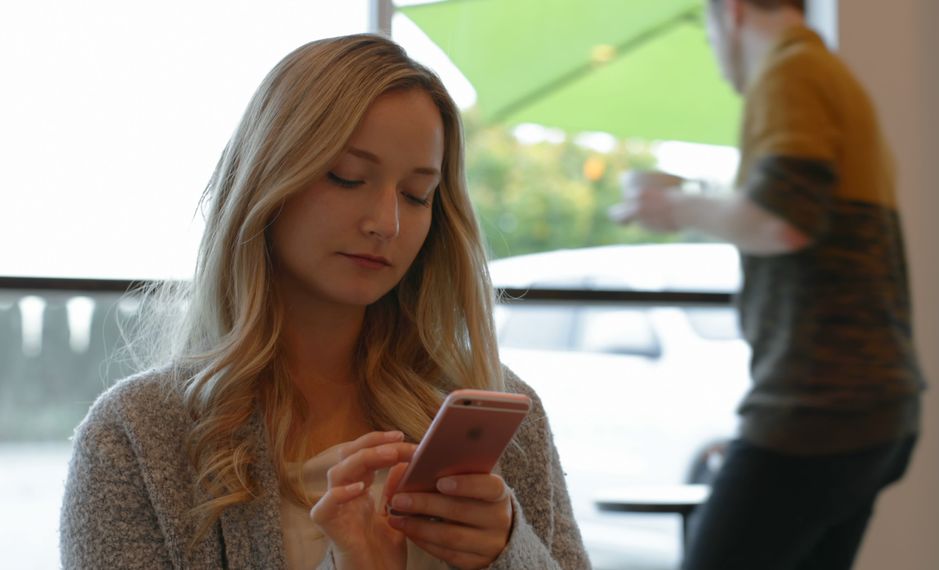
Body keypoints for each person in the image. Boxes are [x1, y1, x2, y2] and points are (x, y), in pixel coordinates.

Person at [60, 34, 589, 570]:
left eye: (416, 195)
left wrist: (508, 553)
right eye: (347, 177)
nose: (386, 223)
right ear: (267, 177)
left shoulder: (495, 408)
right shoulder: (137, 438)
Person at [611, 1, 924, 568]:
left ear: (729, 13)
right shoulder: (829, 73)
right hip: (876, 402)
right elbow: (792, 208)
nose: (714, 55)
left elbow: (782, 219)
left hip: (818, 402)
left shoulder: (790, 71)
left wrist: (674, 206)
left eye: (706, 37)